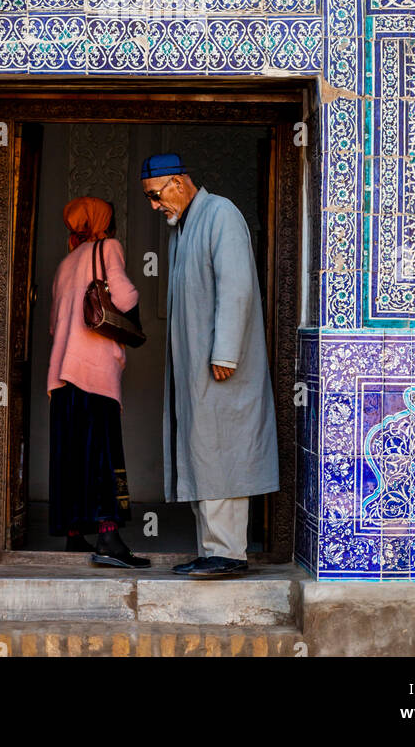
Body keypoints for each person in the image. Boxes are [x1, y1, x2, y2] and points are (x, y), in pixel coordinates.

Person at [141, 152, 279, 579]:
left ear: (179, 183)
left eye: (155, 195)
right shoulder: (183, 228)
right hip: (196, 370)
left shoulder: (220, 214)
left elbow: (236, 286)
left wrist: (225, 353)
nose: (154, 205)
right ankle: (211, 549)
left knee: (225, 452)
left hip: (222, 367)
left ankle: (228, 552)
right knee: (204, 453)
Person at [47, 195, 150, 570]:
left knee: (71, 454)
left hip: (61, 376)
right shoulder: (108, 247)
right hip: (93, 371)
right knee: (103, 452)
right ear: (102, 221)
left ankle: (75, 536)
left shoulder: (65, 263)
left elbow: (54, 324)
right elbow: (122, 295)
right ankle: (108, 538)